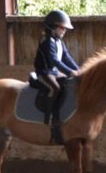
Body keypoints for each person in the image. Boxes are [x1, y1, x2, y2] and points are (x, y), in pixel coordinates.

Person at [34, 9, 80, 144]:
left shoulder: (59, 42)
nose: (64, 31)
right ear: (52, 27)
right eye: (62, 28)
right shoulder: (48, 41)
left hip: (53, 71)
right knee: (55, 88)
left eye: (65, 28)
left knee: (68, 84)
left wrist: (80, 70)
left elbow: (66, 57)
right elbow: (55, 61)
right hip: (44, 72)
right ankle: (50, 116)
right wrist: (70, 72)